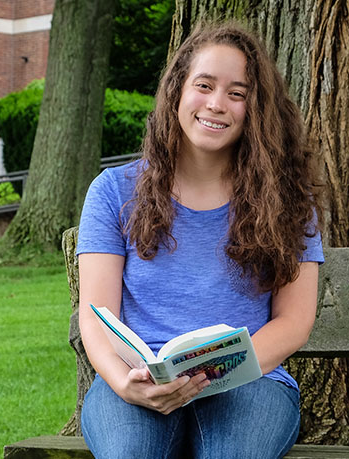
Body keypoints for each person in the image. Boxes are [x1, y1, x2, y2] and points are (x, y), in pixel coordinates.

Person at [76, 21, 324, 459]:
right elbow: (96, 316)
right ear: (177, 91)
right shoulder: (113, 191)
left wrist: (220, 373)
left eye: (237, 93)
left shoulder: (288, 200)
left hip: (250, 383)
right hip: (139, 380)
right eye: (204, 85)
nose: (216, 104)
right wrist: (123, 385)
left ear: (256, 108)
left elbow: (295, 319)